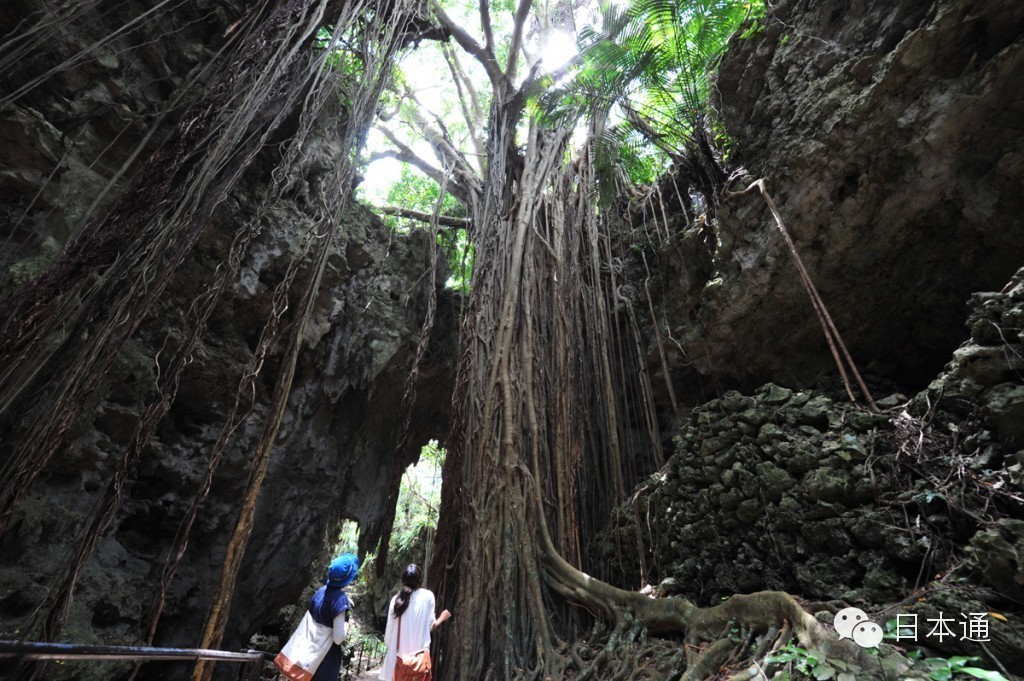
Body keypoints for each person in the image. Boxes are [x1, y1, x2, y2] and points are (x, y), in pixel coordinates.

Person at [275, 553, 359, 681]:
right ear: (348, 578)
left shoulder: (320, 592)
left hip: (308, 656)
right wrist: (347, 626)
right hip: (325, 659)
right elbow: (338, 637)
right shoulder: (340, 600)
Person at [379, 564, 451, 681]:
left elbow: (389, 636)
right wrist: (442, 617)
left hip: (397, 663)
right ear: (419, 580)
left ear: (403, 580)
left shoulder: (396, 600)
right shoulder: (428, 596)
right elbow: (430, 626)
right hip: (419, 663)